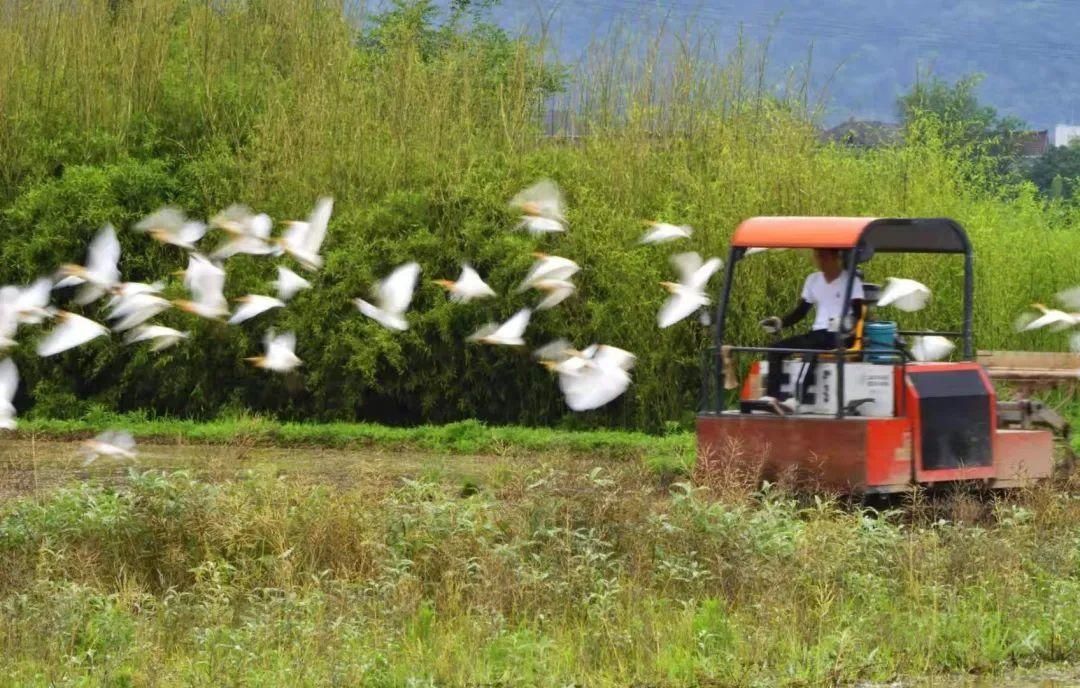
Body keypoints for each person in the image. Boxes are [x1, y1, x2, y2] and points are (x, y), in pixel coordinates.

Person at [758, 248, 864, 412]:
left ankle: (795, 401)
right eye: (817, 256)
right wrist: (779, 322)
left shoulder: (851, 281)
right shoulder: (813, 280)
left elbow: (858, 313)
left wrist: (846, 326)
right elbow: (801, 311)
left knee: (812, 348)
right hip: (818, 333)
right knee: (776, 349)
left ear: (835, 256)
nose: (819, 260)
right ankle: (773, 398)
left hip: (840, 334)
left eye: (823, 256)